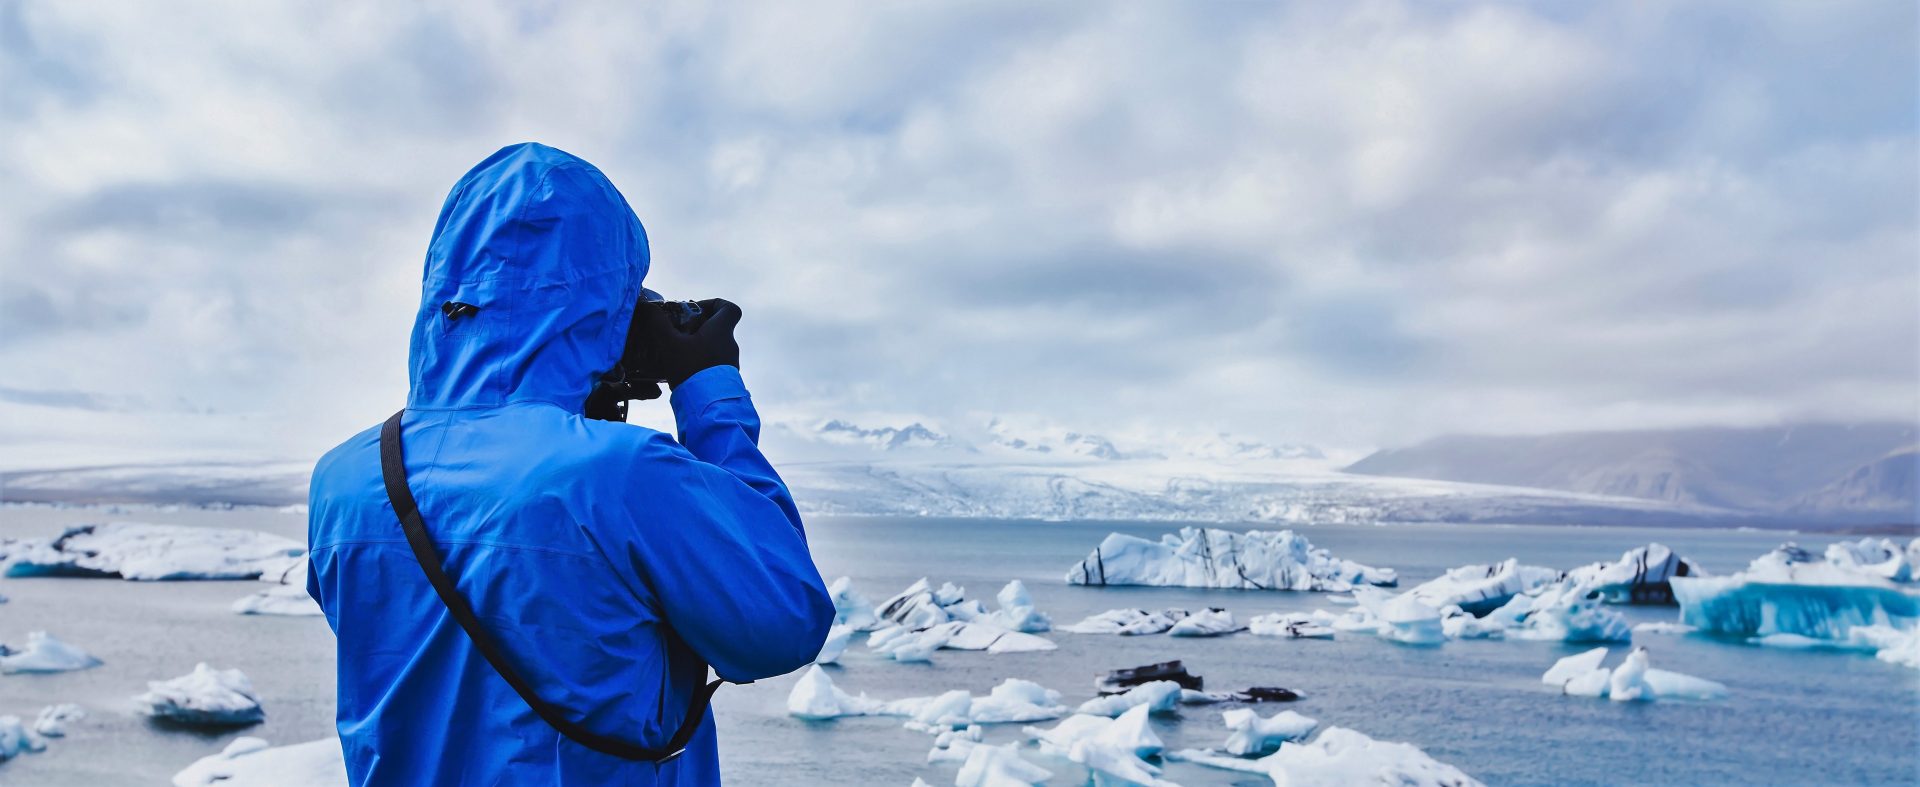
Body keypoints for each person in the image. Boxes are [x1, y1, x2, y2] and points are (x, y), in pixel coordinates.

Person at [306, 142, 834, 785]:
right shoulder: (620, 475)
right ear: (602, 307)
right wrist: (707, 389)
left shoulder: (345, 477)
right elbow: (783, 620)